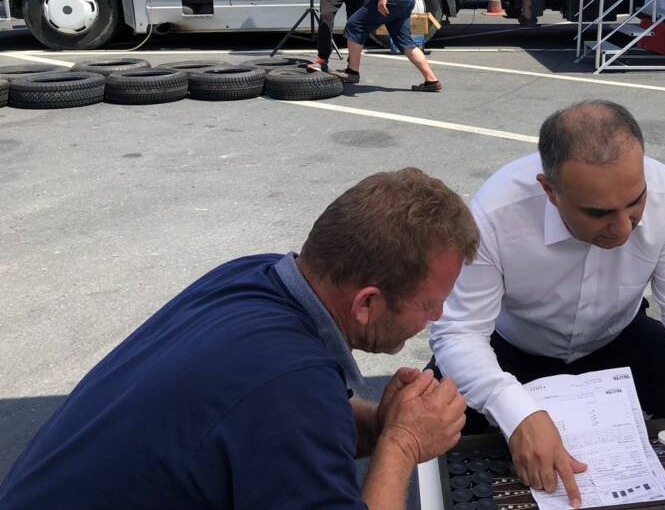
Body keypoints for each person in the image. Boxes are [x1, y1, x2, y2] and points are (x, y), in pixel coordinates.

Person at [0, 169, 480, 510]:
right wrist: (402, 443)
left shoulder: (256, 276)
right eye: (429, 304)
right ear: (367, 303)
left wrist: (379, 423)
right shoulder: (290, 385)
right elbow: (286, 404)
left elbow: (274, 416)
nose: (438, 316)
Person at [430, 100, 665, 508]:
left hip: (616, 336)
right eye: (599, 213)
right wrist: (516, 413)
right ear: (550, 191)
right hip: (512, 346)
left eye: (635, 202)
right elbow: (459, 332)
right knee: (438, 411)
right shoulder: (496, 211)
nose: (623, 228)